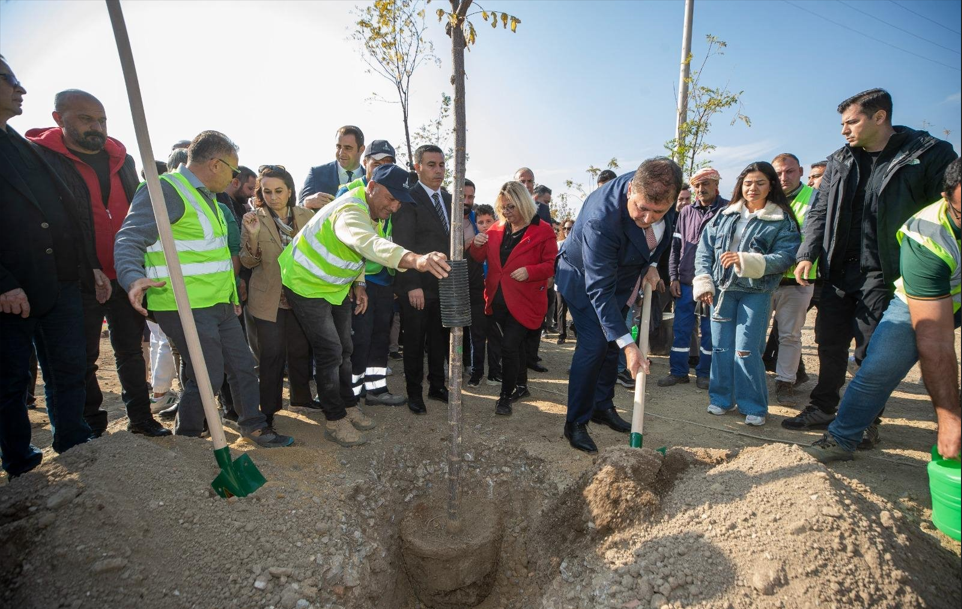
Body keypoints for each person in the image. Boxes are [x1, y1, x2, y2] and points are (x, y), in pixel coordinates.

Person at [784, 89, 957, 442]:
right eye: (842, 123)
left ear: (879, 117)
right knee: (829, 343)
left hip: (887, 269)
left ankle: (867, 422)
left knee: (869, 350)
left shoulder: (927, 155)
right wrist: (806, 254)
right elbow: (818, 211)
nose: (844, 130)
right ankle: (823, 406)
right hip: (836, 268)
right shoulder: (839, 160)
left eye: (852, 122)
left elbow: (948, 205)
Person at [115, 130, 294, 448]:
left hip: (221, 304)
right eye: (234, 170)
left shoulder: (209, 197)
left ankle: (252, 424)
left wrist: (230, 293)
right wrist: (131, 276)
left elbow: (213, 254)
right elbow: (130, 236)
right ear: (215, 164)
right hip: (183, 304)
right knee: (207, 373)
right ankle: (188, 436)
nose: (235, 177)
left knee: (242, 366)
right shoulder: (165, 190)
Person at [26, 89, 169, 438]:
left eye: (101, 119)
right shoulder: (42, 158)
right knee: (81, 358)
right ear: (59, 119)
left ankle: (141, 417)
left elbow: (138, 214)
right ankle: (91, 426)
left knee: (131, 352)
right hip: (76, 277)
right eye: (85, 119)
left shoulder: (123, 160)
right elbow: (51, 220)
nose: (96, 127)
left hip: (125, 274)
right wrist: (86, 265)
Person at [279, 164, 450, 446]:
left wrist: (359, 283)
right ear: (371, 188)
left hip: (335, 286)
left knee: (345, 348)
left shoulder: (372, 209)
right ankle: (335, 420)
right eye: (391, 199)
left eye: (399, 201)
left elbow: (356, 250)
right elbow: (365, 242)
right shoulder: (349, 210)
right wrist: (415, 260)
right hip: (305, 283)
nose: (395, 207)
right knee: (330, 351)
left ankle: (348, 406)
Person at [805, 158, 961, 462]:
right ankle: (841, 437)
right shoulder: (928, 234)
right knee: (879, 367)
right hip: (922, 301)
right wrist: (949, 416)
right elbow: (936, 340)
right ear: (946, 198)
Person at [1, 56, 98, 477]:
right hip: (13, 290)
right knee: (10, 381)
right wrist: (2, 283)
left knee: (70, 365)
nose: (20, 90)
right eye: (10, 81)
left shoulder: (25, 146)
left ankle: (72, 438)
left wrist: (89, 265)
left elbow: (68, 212)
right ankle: (19, 460)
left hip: (61, 281)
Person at [556, 158, 682, 453]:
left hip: (624, 279)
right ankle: (575, 421)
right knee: (595, 345)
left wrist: (651, 263)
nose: (649, 218)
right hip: (583, 278)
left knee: (612, 346)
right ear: (629, 191)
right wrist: (629, 344)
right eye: (642, 208)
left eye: (658, 212)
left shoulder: (664, 190)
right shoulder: (602, 219)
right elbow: (599, 287)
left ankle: (602, 406)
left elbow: (662, 236)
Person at [694, 162, 801, 427]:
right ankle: (720, 399)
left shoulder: (780, 219)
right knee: (720, 347)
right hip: (721, 291)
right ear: (740, 186)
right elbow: (704, 251)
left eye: (760, 183)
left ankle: (753, 405)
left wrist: (746, 260)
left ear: (771, 186)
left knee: (746, 350)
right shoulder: (724, 215)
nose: (753, 188)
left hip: (756, 291)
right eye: (748, 183)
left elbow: (786, 256)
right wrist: (704, 281)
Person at [470, 182, 557, 415]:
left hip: (525, 301)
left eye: (511, 206)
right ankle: (521, 386)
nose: (507, 211)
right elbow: (479, 258)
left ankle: (505, 397)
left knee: (508, 347)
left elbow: (550, 266)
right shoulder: (496, 229)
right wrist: (476, 244)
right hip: (496, 300)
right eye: (503, 207)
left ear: (524, 204)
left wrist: (531, 271)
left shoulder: (543, 230)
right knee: (513, 346)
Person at [239, 165, 316, 426]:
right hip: (267, 298)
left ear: (290, 191)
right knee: (271, 354)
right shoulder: (254, 218)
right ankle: (269, 410)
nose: (273, 197)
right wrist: (251, 237)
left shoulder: (306, 215)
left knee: (300, 349)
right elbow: (248, 262)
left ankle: (302, 398)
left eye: (279, 191)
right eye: (267, 191)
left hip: (300, 296)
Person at [335, 140, 408, 407]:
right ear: (365, 164)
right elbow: (353, 240)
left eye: (387, 165)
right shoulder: (349, 192)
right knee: (359, 338)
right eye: (376, 164)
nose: (381, 170)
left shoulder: (393, 196)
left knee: (380, 334)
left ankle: (377, 390)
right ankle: (352, 395)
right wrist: (358, 281)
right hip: (359, 281)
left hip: (385, 280)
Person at [392, 145, 454, 414]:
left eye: (441, 164)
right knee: (415, 342)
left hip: (444, 285)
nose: (438, 170)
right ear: (417, 167)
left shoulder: (450, 200)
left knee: (440, 339)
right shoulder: (409, 200)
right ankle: (414, 393)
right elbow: (402, 245)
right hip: (418, 286)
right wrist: (411, 284)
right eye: (431, 164)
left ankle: (437, 386)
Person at [662, 167, 727, 390]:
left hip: (713, 283)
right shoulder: (686, 213)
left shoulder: (727, 210)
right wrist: (673, 277)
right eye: (697, 185)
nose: (701, 189)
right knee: (681, 328)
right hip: (686, 282)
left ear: (716, 184)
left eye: (706, 184)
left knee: (709, 331)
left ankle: (705, 373)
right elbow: (675, 247)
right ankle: (678, 372)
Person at [762, 153, 819, 406]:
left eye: (790, 171)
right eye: (779, 173)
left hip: (797, 282)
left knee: (790, 335)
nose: (784, 177)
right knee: (754, 333)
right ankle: (752, 378)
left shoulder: (816, 199)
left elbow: (815, 235)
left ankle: (785, 382)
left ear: (801, 171)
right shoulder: (765, 198)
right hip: (765, 280)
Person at [513, 167, 549, 373]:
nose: (526, 185)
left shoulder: (542, 209)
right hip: (512, 274)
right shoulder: (505, 206)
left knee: (536, 317)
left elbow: (548, 243)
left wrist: (547, 273)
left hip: (536, 274)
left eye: (530, 181)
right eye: (522, 180)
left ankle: (531, 358)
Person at [462, 178, 489, 387]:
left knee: (477, 332)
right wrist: (465, 245)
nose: (467, 200)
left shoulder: (477, 220)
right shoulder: (444, 219)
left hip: (477, 286)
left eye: (471, 196)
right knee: (453, 330)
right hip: (450, 283)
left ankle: (475, 370)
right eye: (463, 196)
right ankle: (454, 364)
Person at [299, 125, 365, 210]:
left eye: (347, 148)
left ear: (361, 150)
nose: (341, 152)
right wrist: (306, 203)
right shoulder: (316, 174)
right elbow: (298, 211)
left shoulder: (371, 179)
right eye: (338, 147)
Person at [556, 218, 575, 344]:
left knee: (576, 308)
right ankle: (562, 335)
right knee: (561, 308)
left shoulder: (580, 243)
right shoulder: (558, 244)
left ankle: (575, 328)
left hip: (575, 282)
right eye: (565, 228)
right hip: (561, 280)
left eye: (570, 228)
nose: (567, 230)